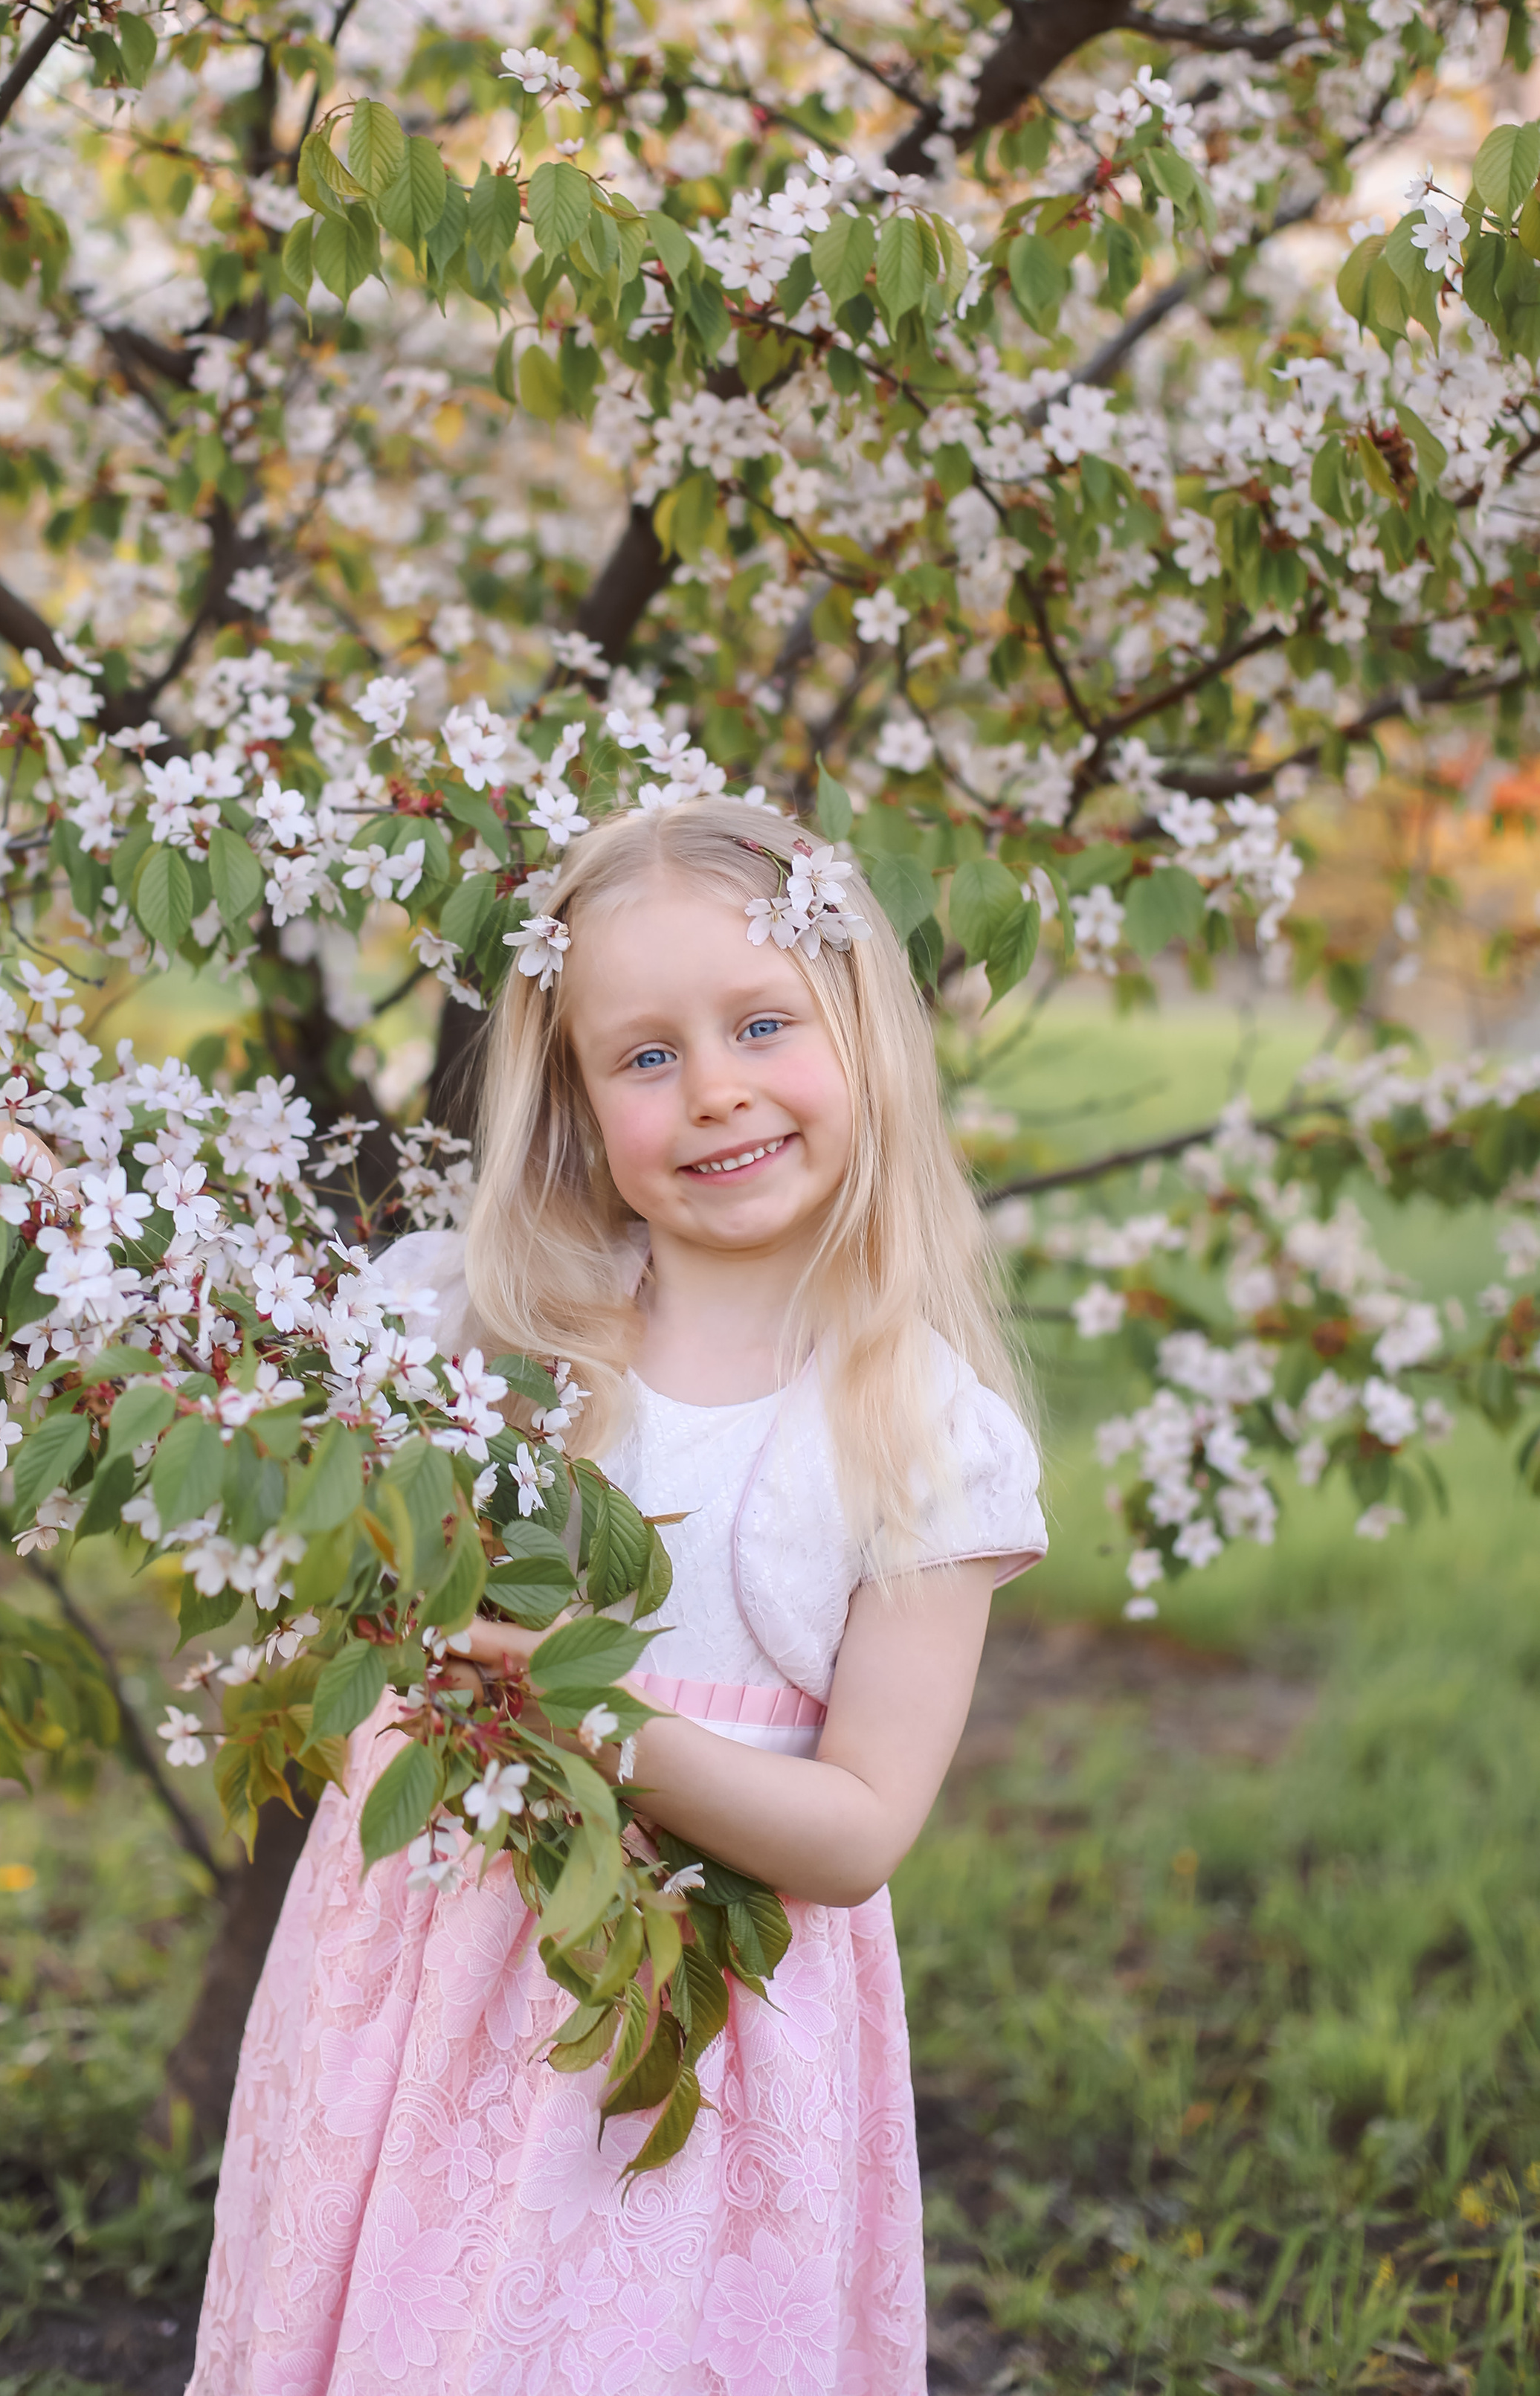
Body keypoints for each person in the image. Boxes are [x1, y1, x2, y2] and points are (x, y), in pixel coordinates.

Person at [184, 797, 1046, 2396]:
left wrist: (591, 1717)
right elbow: (206, 1343)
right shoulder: (476, 1337)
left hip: (678, 2033)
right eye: (642, 1056)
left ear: (862, 1034)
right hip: (421, 1998)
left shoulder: (917, 1432)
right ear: (576, 1109)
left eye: (763, 1023)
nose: (713, 1086)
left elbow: (857, 1832)